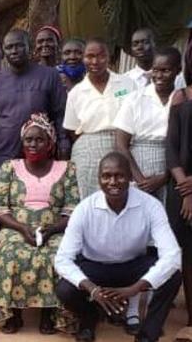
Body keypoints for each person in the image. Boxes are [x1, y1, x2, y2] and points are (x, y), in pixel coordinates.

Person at [55, 152, 181, 342]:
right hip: (94, 267)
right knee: (65, 289)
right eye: (106, 176)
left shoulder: (150, 205)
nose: (113, 182)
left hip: (133, 266)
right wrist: (92, 290)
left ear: (130, 177)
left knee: (173, 275)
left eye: (119, 176)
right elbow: (62, 259)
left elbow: (172, 255)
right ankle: (89, 318)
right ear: (99, 179)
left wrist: (135, 289)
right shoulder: (84, 209)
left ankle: (148, 334)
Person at [0, 113, 79, 334]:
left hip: (54, 229)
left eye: (39, 139)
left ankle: (49, 315)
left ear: (50, 143)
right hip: (15, 227)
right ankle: (13, 313)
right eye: (28, 139)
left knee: (58, 254)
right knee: (8, 253)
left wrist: (52, 230)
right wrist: (21, 228)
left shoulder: (67, 169)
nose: (33, 144)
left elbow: (73, 210)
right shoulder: (9, 168)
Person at [0, 28, 68, 185]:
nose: (14, 51)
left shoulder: (49, 76)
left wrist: (63, 144)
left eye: (19, 46)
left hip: (40, 158)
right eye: (9, 47)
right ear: (4, 51)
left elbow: (60, 114)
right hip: (2, 157)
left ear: (30, 47)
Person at [63, 39, 136, 198]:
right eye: (90, 56)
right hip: (88, 152)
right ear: (83, 58)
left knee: (124, 196)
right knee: (90, 199)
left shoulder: (127, 84)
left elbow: (136, 118)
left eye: (101, 56)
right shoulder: (76, 93)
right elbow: (72, 131)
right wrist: (92, 143)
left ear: (109, 57)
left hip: (125, 147)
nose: (95, 61)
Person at [114, 47, 181, 203]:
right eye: (155, 70)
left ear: (178, 70)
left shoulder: (182, 99)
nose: (159, 76)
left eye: (165, 71)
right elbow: (121, 144)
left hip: (173, 169)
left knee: (169, 212)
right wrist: (140, 180)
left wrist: (165, 176)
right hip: (138, 167)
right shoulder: (135, 99)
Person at [166, 56, 192, 342]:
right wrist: (185, 186)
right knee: (187, 253)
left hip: (187, 185)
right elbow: (171, 146)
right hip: (180, 185)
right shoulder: (180, 96)